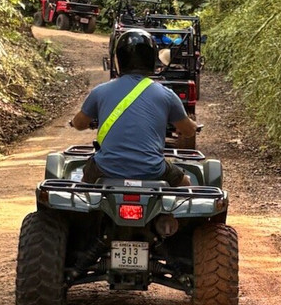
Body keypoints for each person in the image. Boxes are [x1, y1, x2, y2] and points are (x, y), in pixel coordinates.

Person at [70, 29, 197, 187]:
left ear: (119, 60)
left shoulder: (100, 91)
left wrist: (74, 122)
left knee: (84, 193)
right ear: (152, 59)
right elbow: (188, 131)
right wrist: (193, 126)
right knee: (186, 186)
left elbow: (80, 124)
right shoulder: (167, 95)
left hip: (105, 168)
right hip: (153, 170)